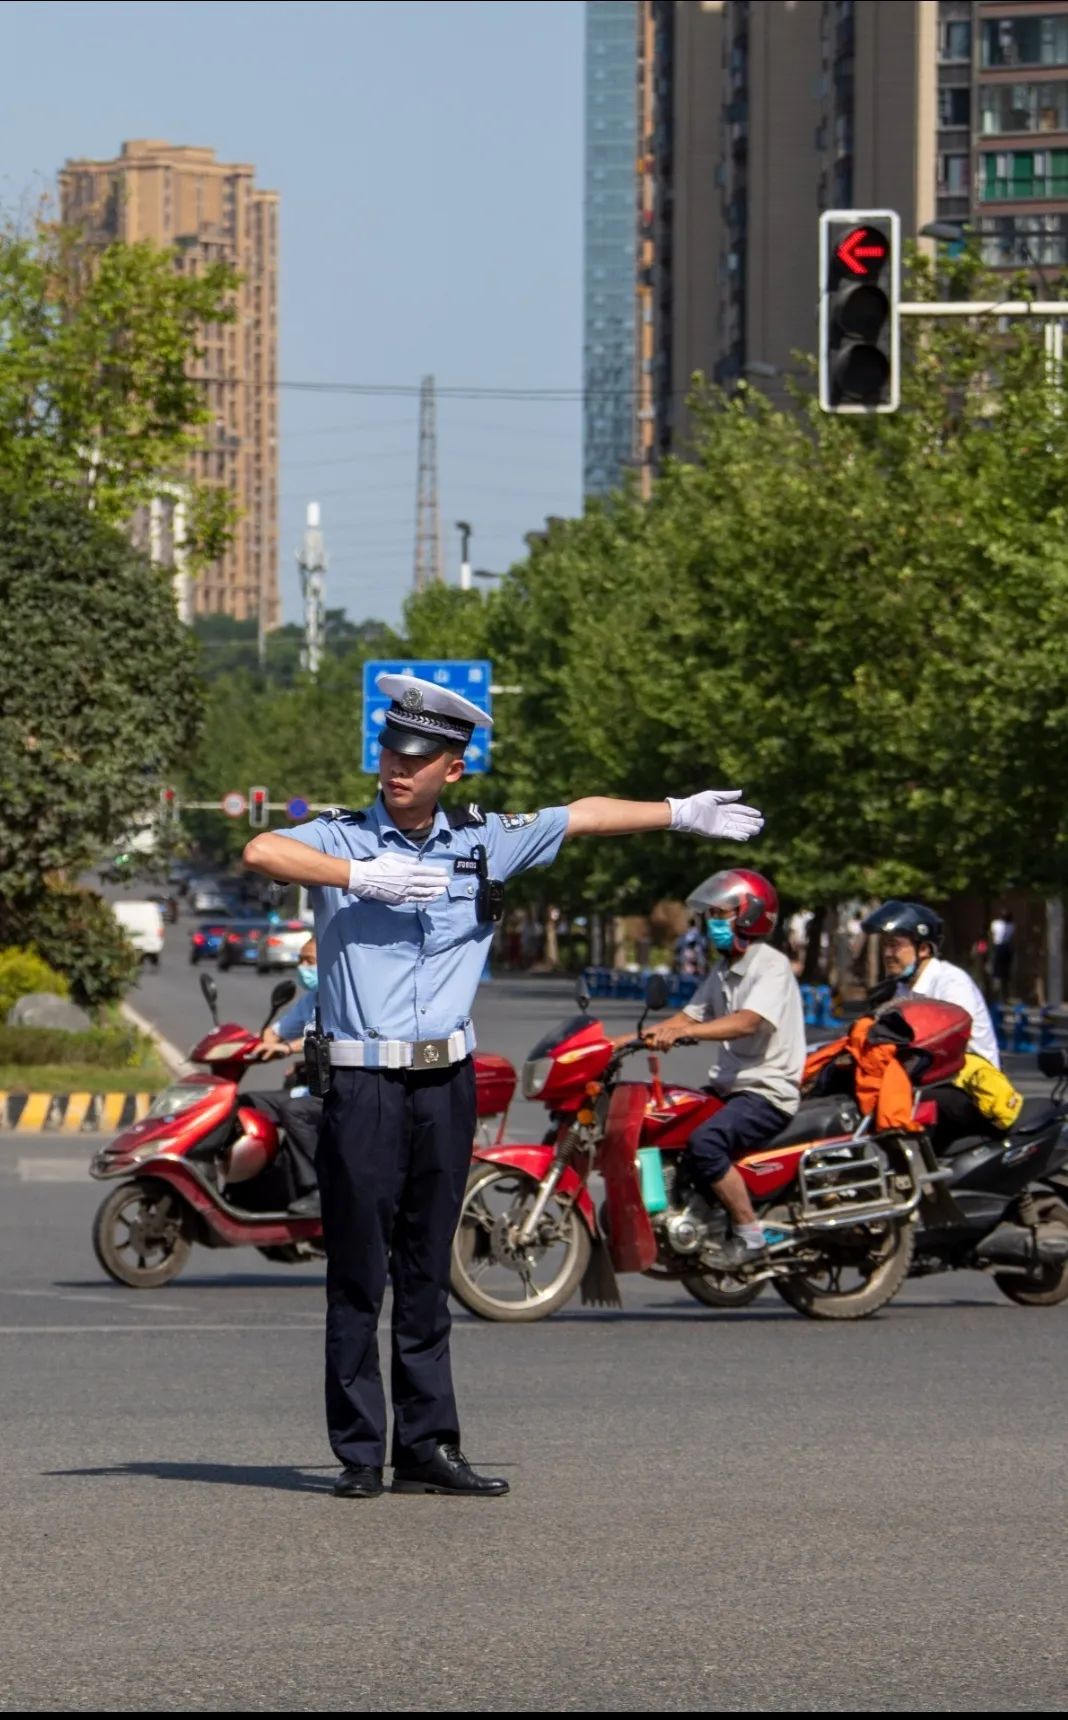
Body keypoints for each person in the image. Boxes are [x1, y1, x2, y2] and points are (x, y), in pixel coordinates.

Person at [243, 670, 764, 1501]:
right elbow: (262, 848)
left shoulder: (484, 839)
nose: (397, 768)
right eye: (389, 752)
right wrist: (363, 878)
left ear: (455, 768)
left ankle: (428, 1446)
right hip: (362, 1083)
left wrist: (680, 811)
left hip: (442, 1082)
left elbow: (581, 814)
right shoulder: (341, 837)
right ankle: (358, 1452)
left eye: (418, 757)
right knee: (357, 1271)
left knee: (425, 1268)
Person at [644, 869, 803, 1261]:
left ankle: (751, 1235)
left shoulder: (771, 966)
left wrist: (688, 1034)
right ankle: (692, 1218)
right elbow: (688, 1017)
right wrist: (623, 1042)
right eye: (711, 916)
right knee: (668, 1125)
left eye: (722, 915)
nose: (713, 924)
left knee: (706, 1143)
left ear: (749, 916)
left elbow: (749, 1021)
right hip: (733, 1089)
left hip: (766, 1092)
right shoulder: (722, 972)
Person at [861, 899, 1010, 1151]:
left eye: (896, 946)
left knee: (896, 1107)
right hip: (931, 1080)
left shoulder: (951, 984)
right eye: (886, 945)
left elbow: (945, 1047)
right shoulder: (901, 987)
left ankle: (919, 1181)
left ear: (924, 950)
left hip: (969, 1089)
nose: (888, 953)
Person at [245, 935, 323, 1213]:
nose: (302, 967)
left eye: (309, 961)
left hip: (339, 1089)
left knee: (294, 1110)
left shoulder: (342, 998)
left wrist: (286, 1049)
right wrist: (252, 1043)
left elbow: (324, 1038)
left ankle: (317, 1189)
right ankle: (255, 1183)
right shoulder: (309, 1001)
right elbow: (276, 1032)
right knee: (246, 1104)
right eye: (300, 960)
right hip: (311, 1084)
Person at [990, 909, 1015, 999]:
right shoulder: (1010, 925)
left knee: (1000, 969)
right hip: (1003, 946)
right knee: (1001, 969)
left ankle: (1001, 989)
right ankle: (1000, 989)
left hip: (1001, 946)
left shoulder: (997, 924)